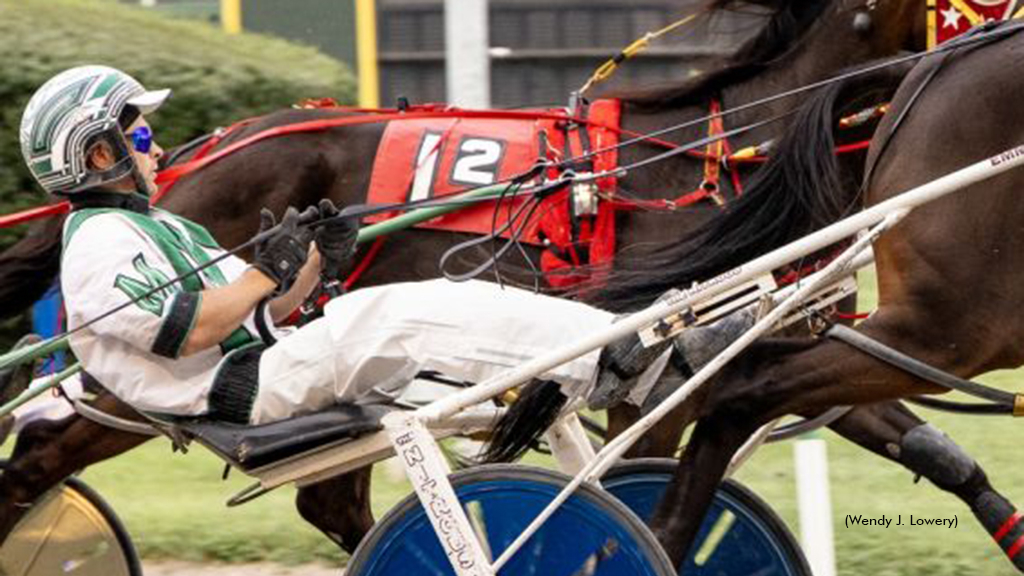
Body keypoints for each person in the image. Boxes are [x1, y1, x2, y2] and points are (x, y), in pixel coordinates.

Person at [19, 66, 667, 426]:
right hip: (234, 388)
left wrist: (310, 266)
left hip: (258, 362)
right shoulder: (98, 242)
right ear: (98, 155)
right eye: (139, 139)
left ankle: (616, 339)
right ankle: (606, 356)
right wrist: (263, 274)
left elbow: (255, 314)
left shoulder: (157, 225)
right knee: (399, 316)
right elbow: (187, 332)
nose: (156, 148)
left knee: (423, 299)